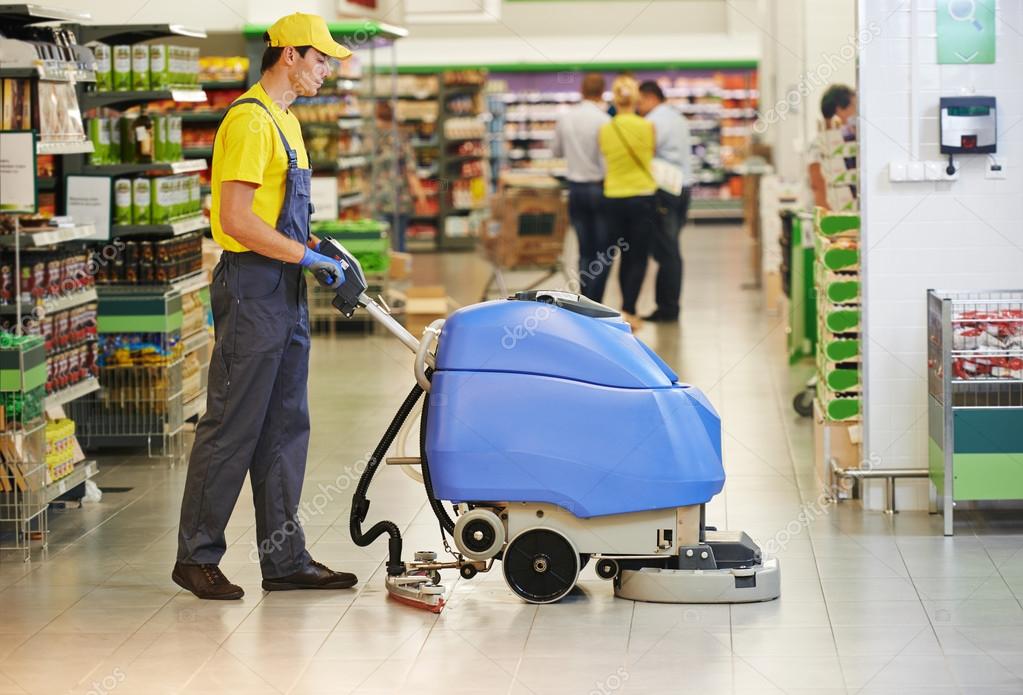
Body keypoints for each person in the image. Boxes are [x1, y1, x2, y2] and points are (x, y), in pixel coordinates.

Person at [173, 13, 359, 600]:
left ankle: (284, 560)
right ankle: (196, 557)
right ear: (289, 55)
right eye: (320, 59)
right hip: (252, 288)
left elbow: (278, 217)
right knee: (233, 424)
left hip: (285, 288)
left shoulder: (288, 122)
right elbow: (235, 220)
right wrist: (304, 258)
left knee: (284, 425)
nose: (326, 71)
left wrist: (320, 250)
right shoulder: (250, 121)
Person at [598, 75, 658, 331]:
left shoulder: (605, 129)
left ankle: (601, 310)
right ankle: (629, 310)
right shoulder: (648, 127)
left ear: (614, 99)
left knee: (612, 254)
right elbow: (650, 155)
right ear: (636, 99)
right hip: (642, 197)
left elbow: (605, 156)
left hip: (613, 197)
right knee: (636, 257)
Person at [552, 73, 611, 302]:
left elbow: (556, 151)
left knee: (584, 248)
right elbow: (607, 159)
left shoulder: (566, 118)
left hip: (575, 189)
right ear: (602, 92)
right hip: (599, 189)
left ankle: (585, 299)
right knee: (602, 250)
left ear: (581, 91)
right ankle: (597, 300)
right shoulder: (604, 120)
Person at [636, 80, 692, 323]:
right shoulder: (678, 117)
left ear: (651, 97)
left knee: (668, 251)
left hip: (664, 190)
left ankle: (669, 308)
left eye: (640, 102)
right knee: (669, 248)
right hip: (684, 187)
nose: (638, 107)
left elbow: (645, 153)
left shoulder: (652, 121)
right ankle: (666, 306)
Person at [369, 99, 427, 252]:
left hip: (380, 198)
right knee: (399, 240)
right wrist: (420, 194)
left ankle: (385, 263)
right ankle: (398, 264)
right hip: (399, 197)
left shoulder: (372, 139)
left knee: (380, 239)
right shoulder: (401, 139)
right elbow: (410, 170)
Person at [808, 84, 857, 210]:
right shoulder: (820, 145)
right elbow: (818, 185)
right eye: (853, 106)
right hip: (833, 213)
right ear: (840, 110)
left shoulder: (853, 140)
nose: (857, 111)